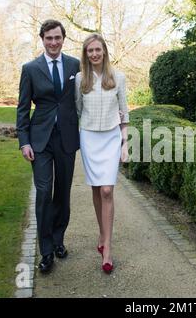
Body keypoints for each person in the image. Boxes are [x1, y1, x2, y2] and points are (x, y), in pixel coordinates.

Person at [16, 19, 80, 274]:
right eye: (48, 38)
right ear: (42, 39)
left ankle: (58, 240)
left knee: (62, 192)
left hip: (66, 139)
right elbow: (22, 110)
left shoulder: (76, 65)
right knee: (44, 193)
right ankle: (46, 252)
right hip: (40, 140)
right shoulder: (30, 68)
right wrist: (24, 142)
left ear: (63, 39)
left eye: (57, 38)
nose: (53, 42)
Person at [75, 33, 129, 274]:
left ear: (104, 51)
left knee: (108, 189)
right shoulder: (79, 79)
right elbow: (78, 109)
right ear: (86, 54)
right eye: (90, 51)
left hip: (111, 137)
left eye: (98, 50)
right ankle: (102, 234)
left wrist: (125, 144)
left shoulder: (118, 77)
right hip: (89, 136)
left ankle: (107, 248)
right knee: (97, 189)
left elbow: (124, 112)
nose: (94, 54)